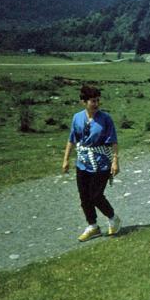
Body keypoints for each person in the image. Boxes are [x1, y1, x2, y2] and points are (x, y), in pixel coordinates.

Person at [62, 84, 121, 241]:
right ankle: (92, 226)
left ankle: (113, 218)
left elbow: (113, 141)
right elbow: (72, 139)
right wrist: (66, 159)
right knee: (84, 197)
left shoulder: (105, 119)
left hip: (101, 162)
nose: (96, 104)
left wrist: (115, 162)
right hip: (83, 162)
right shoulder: (77, 118)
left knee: (95, 195)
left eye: (97, 100)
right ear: (83, 102)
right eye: (92, 101)